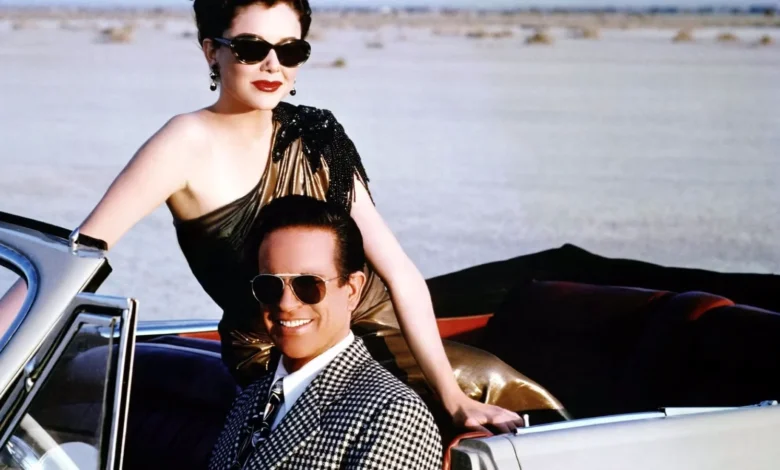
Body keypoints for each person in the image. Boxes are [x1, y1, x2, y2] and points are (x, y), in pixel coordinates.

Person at [0, 0, 525, 433]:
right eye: (252, 48)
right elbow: (79, 255)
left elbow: (398, 269)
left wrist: (451, 395)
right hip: (272, 346)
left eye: (290, 50)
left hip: (368, 321)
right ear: (212, 51)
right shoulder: (184, 143)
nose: (273, 66)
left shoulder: (315, 135)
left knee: (484, 379)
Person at [209, 195, 441, 470]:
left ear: (352, 290)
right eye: (270, 286)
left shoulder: (393, 414)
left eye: (309, 285)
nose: (286, 304)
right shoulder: (250, 399)